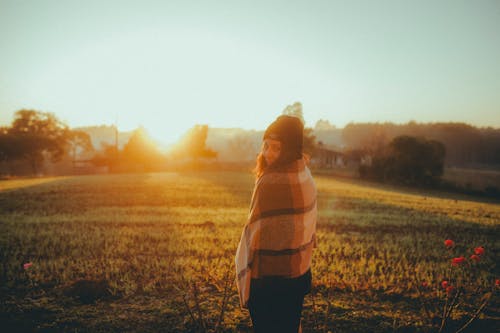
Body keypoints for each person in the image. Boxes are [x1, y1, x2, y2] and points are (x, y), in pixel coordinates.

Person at [235, 115, 317, 333]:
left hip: (268, 281)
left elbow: (255, 234)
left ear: (289, 149)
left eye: (276, 148)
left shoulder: (269, 182)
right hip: (298, 275)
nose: (268, 153)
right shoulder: (305, 174)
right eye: (266, 146)